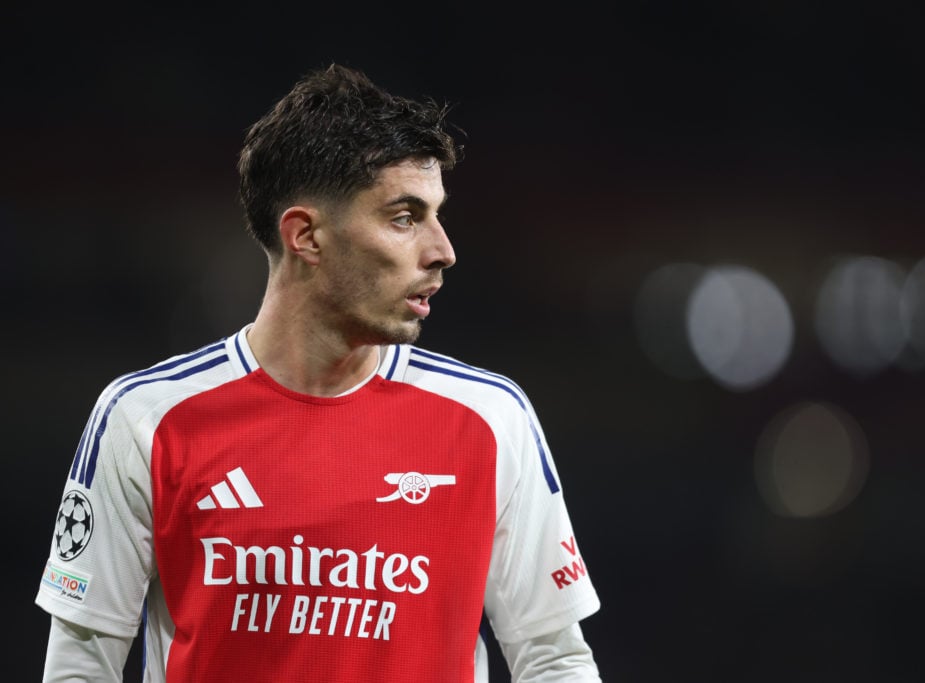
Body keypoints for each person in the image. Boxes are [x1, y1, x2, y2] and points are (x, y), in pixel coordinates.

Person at [35, 63, 601, 682]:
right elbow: (82, 661)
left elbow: (553, 657)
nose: (443, 249)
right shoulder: (146, 417)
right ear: (305, 235)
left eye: (436, 215)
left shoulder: (491, 418)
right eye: (405, 217)